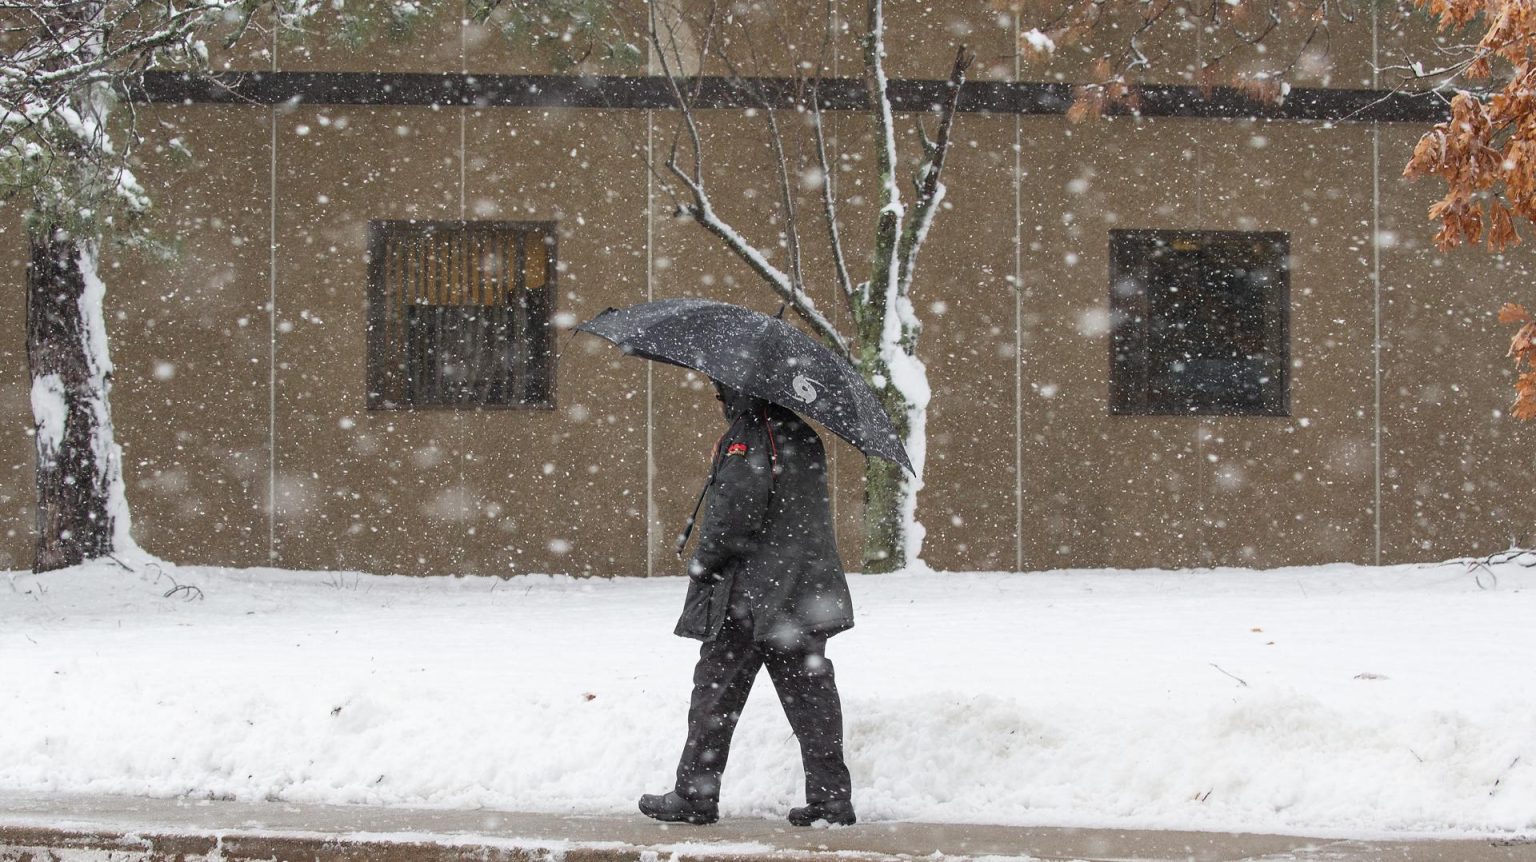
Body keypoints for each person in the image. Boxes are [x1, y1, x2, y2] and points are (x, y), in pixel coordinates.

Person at [638, 380, 856, 827]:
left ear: (742, 390)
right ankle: (831, 799)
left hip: (752, 595)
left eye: (722, 393)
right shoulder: (801, 432)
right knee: (810, 695)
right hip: (801, 592)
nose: (719, 400)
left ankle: (695, 795)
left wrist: (705, 560)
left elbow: (736, 513)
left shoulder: (750, 434)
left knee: (715, 693)